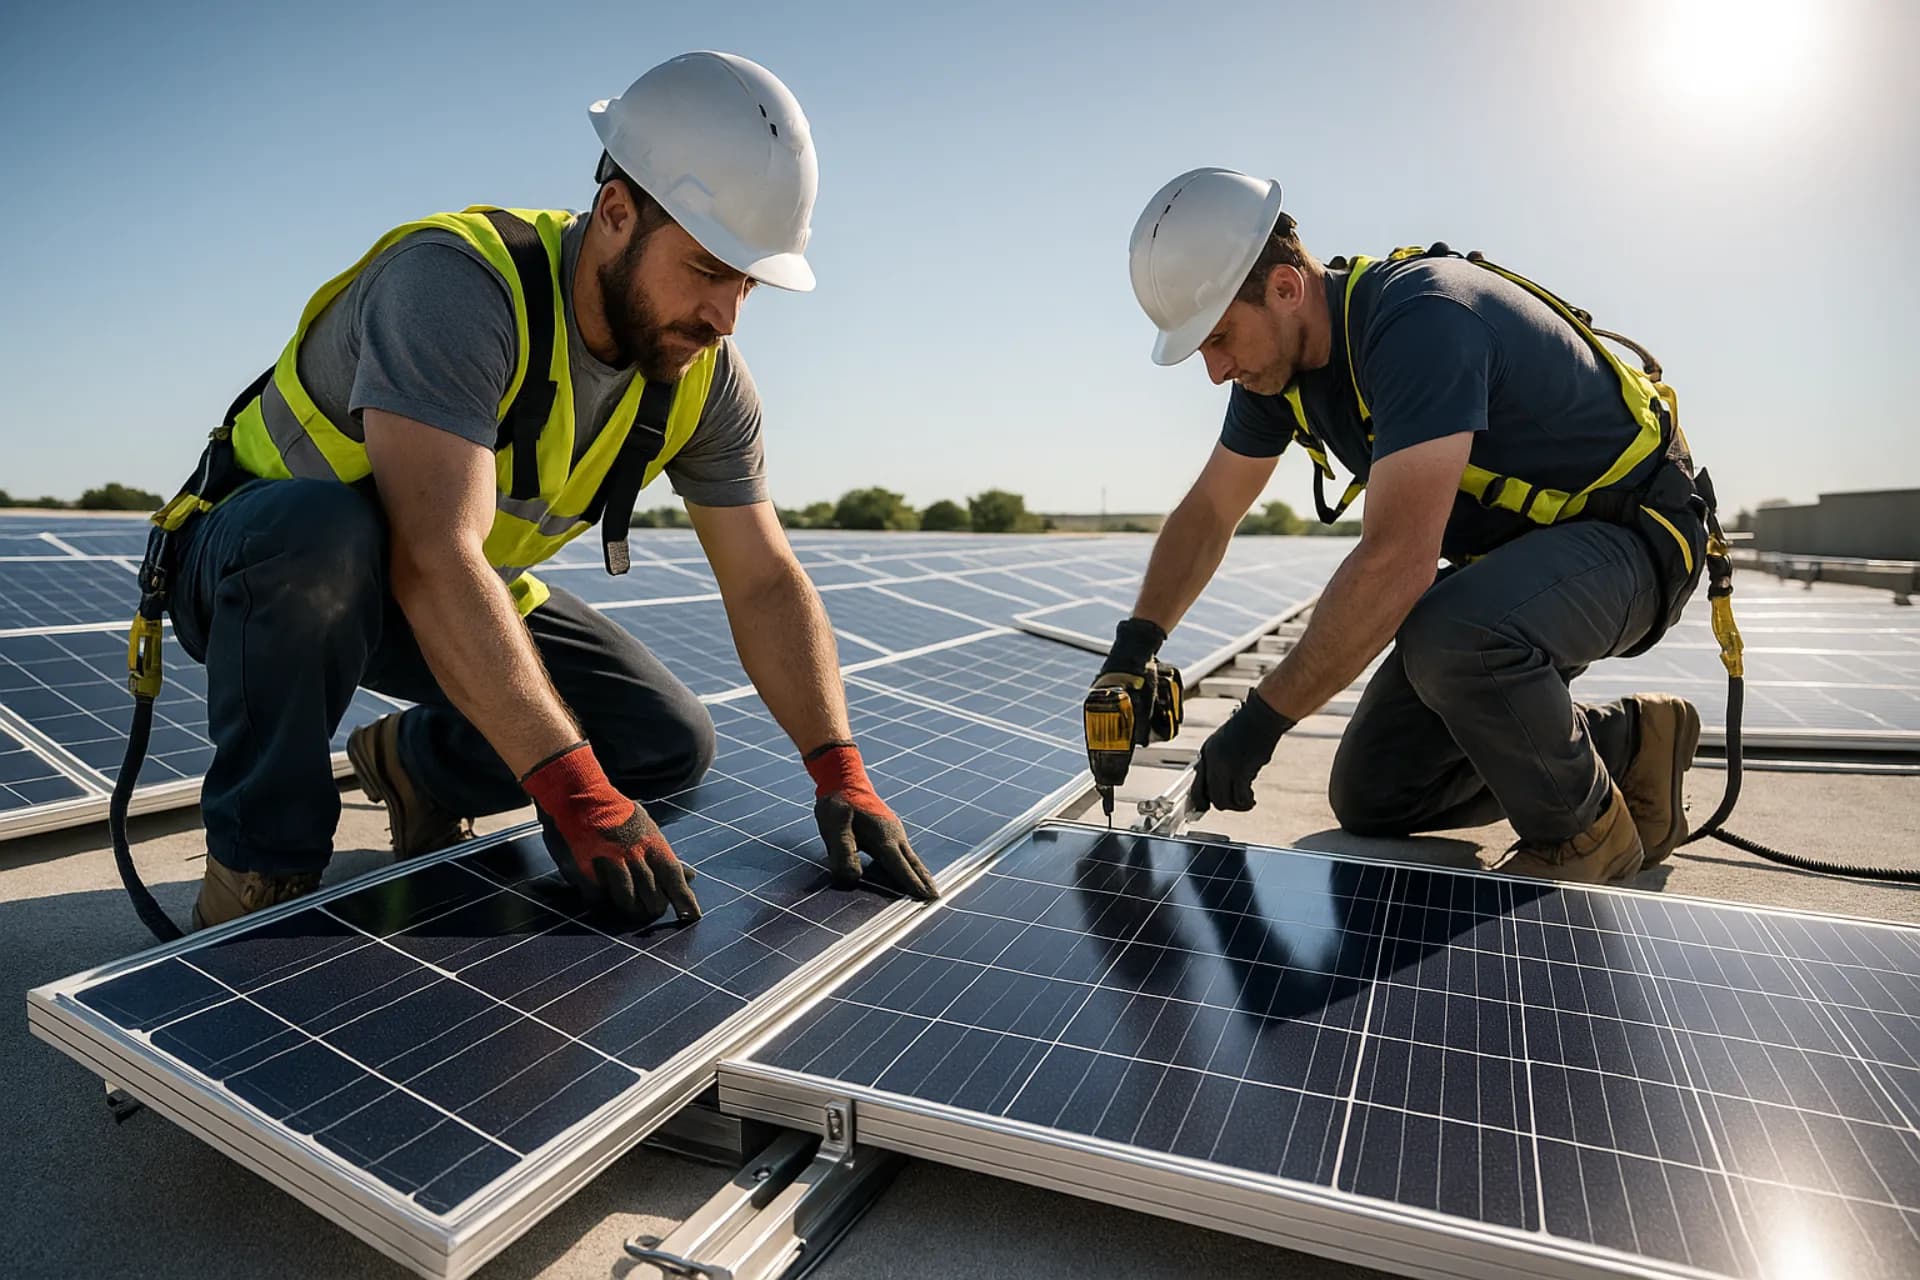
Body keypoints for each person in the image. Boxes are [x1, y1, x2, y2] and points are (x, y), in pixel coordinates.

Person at [153, 51, 935, 929]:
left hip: (430, 592)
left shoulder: (704, 375)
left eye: (748, 282)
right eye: (709, 268)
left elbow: (764, 580)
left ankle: (418, 765)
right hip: (260, 566)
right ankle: (261, 875)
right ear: (615, 211)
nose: (728, 315)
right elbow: (433, 554)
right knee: (322, 539)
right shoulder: (457, 287)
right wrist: (575, 791)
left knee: (666, 740)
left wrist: (841, 770)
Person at [1096, 167, 1713, 884]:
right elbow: (1208, 512)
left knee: (1451, 633)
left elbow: (1395, 564)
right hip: (1520, 567)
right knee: (1375, 791)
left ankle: (1585, 836)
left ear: (1286, 289)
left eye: (1221, 337)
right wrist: (1132, 651)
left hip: (1636, 540)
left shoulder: (1423, 322)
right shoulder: (1277, 374)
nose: (1215, 369)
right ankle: (1632, 745)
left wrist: (1259, 722)